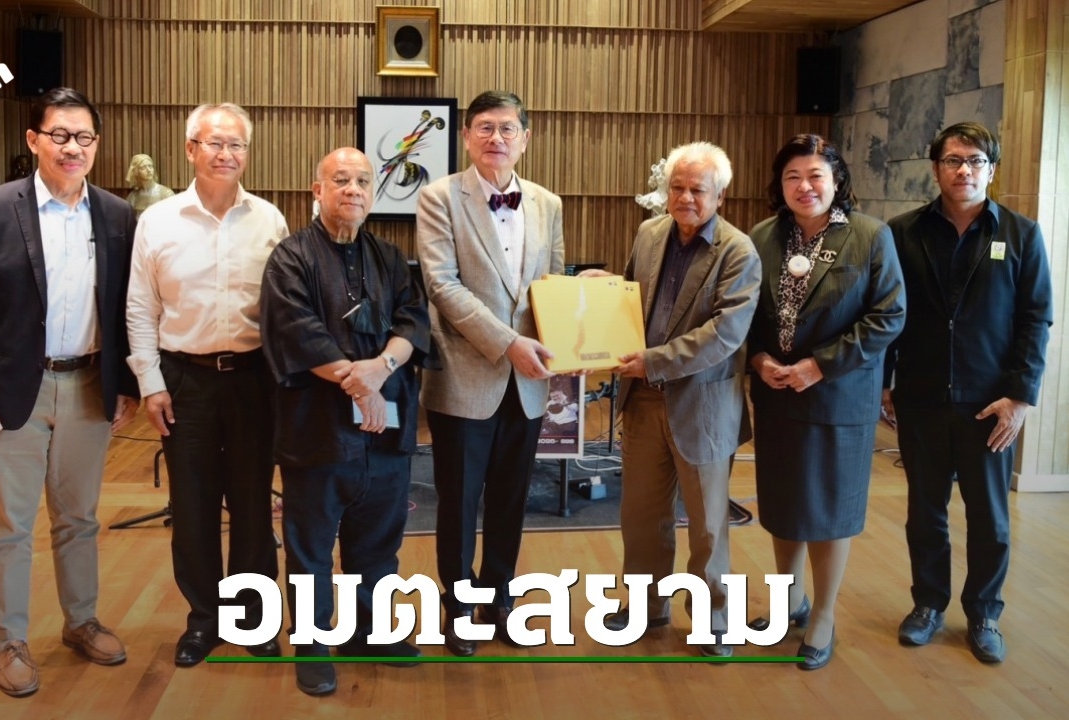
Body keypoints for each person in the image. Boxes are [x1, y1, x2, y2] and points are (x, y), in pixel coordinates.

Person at [0, 87, 139, 697]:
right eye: (59, 135)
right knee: (8, 526)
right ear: (34, 140)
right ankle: (10, 642)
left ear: (96, 145)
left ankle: (81, 622)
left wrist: (125, 384)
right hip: (12, 391)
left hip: (88, 384)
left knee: (79, 518)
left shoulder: (116, 215)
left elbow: (124, 308)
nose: (72, 147)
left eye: (83, 137)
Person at [261, 147, 432, 695]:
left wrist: (381, 371)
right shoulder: (290, 258)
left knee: (378, 541)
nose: (353, 189)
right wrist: (362, 386)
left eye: (362, 181)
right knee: (311, 546)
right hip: (317, 427)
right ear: (317, 190)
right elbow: (299, 333)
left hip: (386, 428)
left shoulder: (391, 257)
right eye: (340, 180)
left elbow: (413, 323)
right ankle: (312, 643)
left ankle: (369, 631)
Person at [884, 122, 1052, 664]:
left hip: (990, 404)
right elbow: (887, 313)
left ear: (991, 170)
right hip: (921, 397)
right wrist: (884, 382)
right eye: (953, 160)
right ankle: (928, 604)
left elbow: (1036, 319)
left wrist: (1020, 397)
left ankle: (984, 613)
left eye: (975, 161)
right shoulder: (902, 233)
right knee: (925, 513)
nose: (964, 170)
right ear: (936, 169)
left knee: (990, 519)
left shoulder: (1021, 235)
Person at [125, 103, 286, 667]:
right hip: (184, 381)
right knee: (192, 507)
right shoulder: (158, 221)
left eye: (236, 144)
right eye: (215, 143)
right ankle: (204, 620)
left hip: (253, 380)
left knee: (252, 504)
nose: (226, 154)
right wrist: (150, 384)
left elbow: (284, 311)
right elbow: (140, 308)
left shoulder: (269, 220)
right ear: (191, 148)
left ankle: (252, 617)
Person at [585, 141, 761, 658]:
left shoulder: (738, 252)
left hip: (702, 408)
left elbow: (724, 334)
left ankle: (714, 620)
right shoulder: (650, 233)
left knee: (707, 526)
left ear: (720, 195)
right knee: (641, 517)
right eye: (677, 187)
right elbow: (632, 302)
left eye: (697, 190)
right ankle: (647, 606)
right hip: (642, 401)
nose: (685, 198)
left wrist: (654, 361)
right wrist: (604, 289)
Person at [746, 134, 905, 670]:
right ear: (780, 184)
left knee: (831, 510)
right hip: (777, 395)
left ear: (837, 181)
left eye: (816, 175)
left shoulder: (870, 236)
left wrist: (819, 365)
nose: (805, 186)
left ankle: (823, 614)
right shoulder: (763, 236)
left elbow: (889, 315)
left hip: (838, 396)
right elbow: (743, 311)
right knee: (783, 504)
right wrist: (758, 359)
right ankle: (790, 600)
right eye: (793, 176)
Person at [416, 90, 564, 656]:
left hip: (528, 383)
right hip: (464, 375)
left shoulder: (548, 203)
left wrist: (582, 305)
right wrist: (508, 345)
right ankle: (457, 609)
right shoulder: (439, 197)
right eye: (484, 127)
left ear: (525, 138)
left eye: (507, 128)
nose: (496, 138)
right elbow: (442, 285)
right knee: (458, 502)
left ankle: (499, 599)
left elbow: (550, 286)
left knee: (510, 498)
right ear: (466, 136)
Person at [125, 153, 174, 219]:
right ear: (136, 172)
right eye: (143, 168)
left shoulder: (166, 193)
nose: (148, 170)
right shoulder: (133, 196)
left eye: (150, 166)